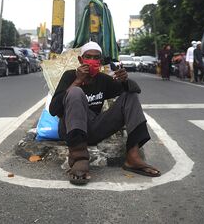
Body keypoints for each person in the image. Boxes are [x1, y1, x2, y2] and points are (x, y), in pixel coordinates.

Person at [50, 41, 161, 185]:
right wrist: (77, 81)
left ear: (100, 61)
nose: (92, 61)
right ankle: (79, 158)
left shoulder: (102, 79)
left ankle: (133, 156)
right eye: (88, 57)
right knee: (75, 92)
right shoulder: (70, 76)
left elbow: (135, 90)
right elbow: (53, 109)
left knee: (131, 95)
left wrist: (124, 81)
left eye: (96, 58)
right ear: (80, 60)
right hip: (71, 129)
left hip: (94, 128)